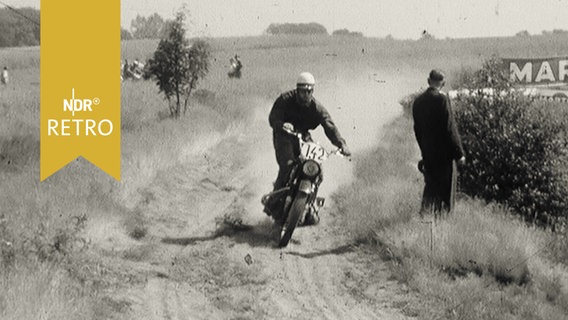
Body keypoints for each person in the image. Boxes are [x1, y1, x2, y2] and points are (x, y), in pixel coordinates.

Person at [263, 72, 351, 224]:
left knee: (316, 169)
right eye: (303, 91)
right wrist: (281, 124)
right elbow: (273, 117)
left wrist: (341, 144)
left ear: (313, 91)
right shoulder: (284, 100)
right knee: (288, 166)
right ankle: (273, 203)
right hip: (284, 135)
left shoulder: (316, 108)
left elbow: (329, 126)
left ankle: (309, 206)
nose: (305, 95)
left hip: (303, 136)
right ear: (297, 90)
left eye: (309, 91)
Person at [412, 69, 465, 216]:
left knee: (430, 189)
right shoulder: (442, 99)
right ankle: (443, 224)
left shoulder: (418, 102)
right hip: (444, 156)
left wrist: (424, 150)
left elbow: (417, 130)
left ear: (429, 81)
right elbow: (450, 129)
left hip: (428, 154)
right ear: (443, 84)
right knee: (446, 195)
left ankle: (425, 219)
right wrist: (459, 153)